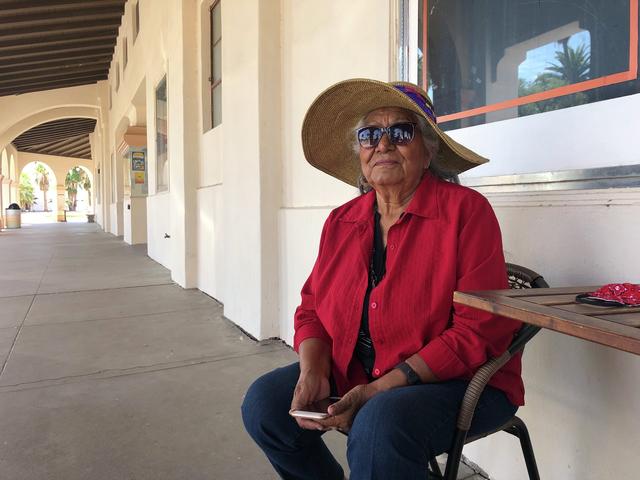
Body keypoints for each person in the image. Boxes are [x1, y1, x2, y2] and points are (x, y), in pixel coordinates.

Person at [242, 78, 523, 480]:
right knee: (264, 405)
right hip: (358, 371)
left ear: (428, 152)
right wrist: (313, 370)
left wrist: (380, 389)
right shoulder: (341, 221)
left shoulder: (467, 212)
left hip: (458, 381)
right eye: (370, 134)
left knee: (378, 427)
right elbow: (312, 310)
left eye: (401, 132)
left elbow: (480, 330)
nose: (383, 144)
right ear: (360, 153)